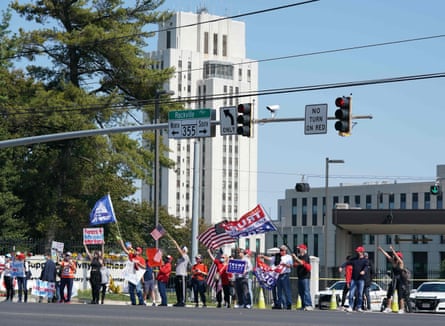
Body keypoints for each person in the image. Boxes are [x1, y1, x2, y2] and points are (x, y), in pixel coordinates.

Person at [378, 245, 409, 314]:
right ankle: (388, 308)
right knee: (389, 294)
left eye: (396, 256)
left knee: (400, 295)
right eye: (394, 256)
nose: (394, 257)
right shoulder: (393, 262)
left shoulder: (401, 263)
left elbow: (397, 257)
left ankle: (402, 308)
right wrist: (381, 250)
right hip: (394, 279)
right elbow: (387, 256)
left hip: (400, 280)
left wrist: (392, 250)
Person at [118, 238, 145, 305]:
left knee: (138, 290)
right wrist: (121, 243)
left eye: (138, 251)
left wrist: (138, 263)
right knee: (131, 290)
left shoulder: (141, 259)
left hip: (137, 277)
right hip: (131, 276)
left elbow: (144, 267)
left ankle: (141, 302)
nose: (136, 251)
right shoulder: (131, 255)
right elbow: (125, 250)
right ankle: (133, 302)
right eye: (136, 250)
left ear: (140, 252)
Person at [345, 246, 368, 312]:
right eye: (357, 251)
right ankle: (350, 306)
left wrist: (364, 271)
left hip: (361, 279)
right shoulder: (354, 259)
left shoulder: (365, 260)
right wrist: (341, 266)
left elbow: (366, 267)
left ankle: (359, 306)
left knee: (360, 294)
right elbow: (347, 263)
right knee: (351, 293)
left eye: (358, 251)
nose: (357, 252)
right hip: (354, 279)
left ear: (361, 252)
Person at [292, 244, 313, 311]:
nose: (298, 249)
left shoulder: (306, 256)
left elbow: (302, 263)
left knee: (306, 291)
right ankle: (304, 305)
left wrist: (296, 258)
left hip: (305, 277)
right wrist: (295, 260)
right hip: (300, 276)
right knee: (301, 292)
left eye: (300, 248)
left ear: (303, 249)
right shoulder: (300, 257)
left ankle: (308, 305)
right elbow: (296, 264)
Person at [171, 238, 190, 307]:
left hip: (182, 275)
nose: (180, 250)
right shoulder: (180, 258)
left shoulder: (186, 256)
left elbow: (181, 253)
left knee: (182, 289)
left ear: (184, 250)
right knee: (178, 289)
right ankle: (179, 301)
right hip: (178, 274)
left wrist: (176, 244)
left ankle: (183, 301)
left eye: (182, 249)